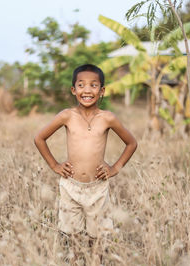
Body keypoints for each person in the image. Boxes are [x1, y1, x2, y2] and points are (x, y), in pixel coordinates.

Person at [34, 64, 137, 239]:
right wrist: (55, 165)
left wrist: (114, 169)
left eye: (93, 85)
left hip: (97, 186)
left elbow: (131, 143)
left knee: (98, 239)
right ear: (73, 90)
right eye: (81, 85)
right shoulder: (67, 115)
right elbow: (39, 138)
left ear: (102, 90)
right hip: (70, 185)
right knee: (72, 236)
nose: (87, 90)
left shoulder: (107, 118)